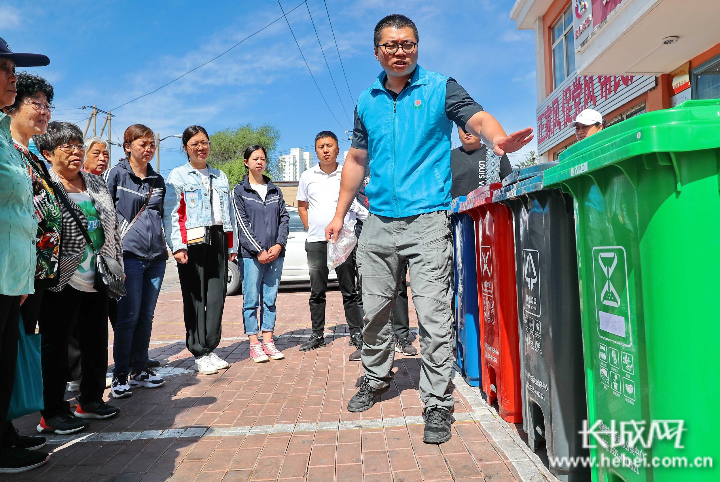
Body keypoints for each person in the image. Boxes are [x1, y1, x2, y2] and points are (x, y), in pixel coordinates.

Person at [325, 15, 533, 444]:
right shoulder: (366, 100)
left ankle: (437, 401)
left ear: (417, 46)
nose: (399, 51)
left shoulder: (441, 87)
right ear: (377, 50)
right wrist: (339, 213)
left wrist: (498, 139)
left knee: (435, 316)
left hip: (427, 220)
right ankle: (375, 374)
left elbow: (477, 117)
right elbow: (357, 160)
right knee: (375, 309)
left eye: (407, 43)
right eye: (390, 45)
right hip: (378, 222)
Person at [35, 121, 123, 433]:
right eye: (66, 146)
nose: (75, 151)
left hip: (97, 275)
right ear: (47, 153)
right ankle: (52, 411)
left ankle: (90, 400)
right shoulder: (44, 185)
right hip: (62, 277)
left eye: (77, 145)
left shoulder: (96, 183)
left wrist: (116, 264)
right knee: (56, 347)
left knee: (96, 340)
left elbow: (112, 228)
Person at [0, 37, 51, 474]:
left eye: (13, 68)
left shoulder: (7, 139)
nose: (12, 75)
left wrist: (21, 281)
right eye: (4, 68)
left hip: (11, 277)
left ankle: (4, 439)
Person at [5, 72, 60, 451]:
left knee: (13, 352)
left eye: (47, 105)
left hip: (33, 270)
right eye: (36, 103)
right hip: (15, 269)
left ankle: (7, 431)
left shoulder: (32, 155)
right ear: (14, 105)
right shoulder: (7, 148)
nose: (44, 112)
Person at [165, 126, 237, 375]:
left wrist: (231, 245)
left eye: (204, 142)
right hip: (192, 241)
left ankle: (211, 347)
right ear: (185, 147)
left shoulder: (220, 176)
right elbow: (172, 214)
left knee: (217, 296)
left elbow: (230, 214)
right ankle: (198, 350)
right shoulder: (178, 176)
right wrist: (178, 246)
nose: (200, 148)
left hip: (218, 237)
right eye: (194, 143)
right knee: (195, 297)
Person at [105, 125, 167, 398]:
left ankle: (140, 369)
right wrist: (112, 256)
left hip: (156, 258)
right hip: (128, 257)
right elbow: (106, 216)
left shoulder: (158, 179)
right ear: (128, 146)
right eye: (143, 143)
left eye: (152, 144)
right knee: (127, 317)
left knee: (146, 316)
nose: (149, 148)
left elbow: (162, 217)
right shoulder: (117, 174)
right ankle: (120, 375)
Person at [297, 131, 365, 360]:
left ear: (338, 149)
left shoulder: (347, 174)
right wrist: (312, 228)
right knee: (317, 290)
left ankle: (357, 333)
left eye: (329, 145)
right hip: (317, 241)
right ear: (315, 150)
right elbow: (302, 207)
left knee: (349, 289)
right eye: (320, 146)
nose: (325, 150)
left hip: (342, 239)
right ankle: (317, 335)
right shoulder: (307, 176)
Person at [232, 145, 289, 363]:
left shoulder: (275, 190)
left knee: (270, 299)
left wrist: (278, 245)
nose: (259, 162)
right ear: (246, 161)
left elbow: (284, 218)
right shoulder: (240, 191)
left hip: (275, 253)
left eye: (263, 159)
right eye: (255, 158)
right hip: (251, 256)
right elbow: (242, 224)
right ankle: (254, 344)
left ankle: (268, 341)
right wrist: (258, 250)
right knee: (250, 300)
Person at [355, 176, 417, 357]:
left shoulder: (390, 159)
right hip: (364, 233)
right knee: (365, 290)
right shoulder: (359, 164)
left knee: (398, 288)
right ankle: (368, 341)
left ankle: (401, 337)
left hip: (394, 229)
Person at [451, 126, 512, 198]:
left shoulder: (496, 153)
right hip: (456, 208)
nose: (467, 132)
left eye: (470, 128)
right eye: (463, 128)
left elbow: (509, 183)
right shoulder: (448, 157)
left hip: (491, 207)